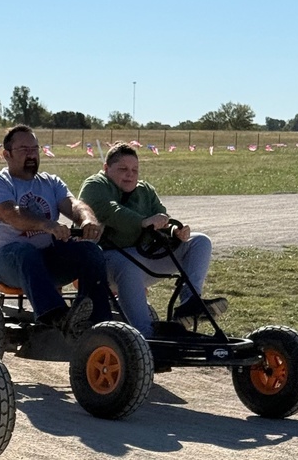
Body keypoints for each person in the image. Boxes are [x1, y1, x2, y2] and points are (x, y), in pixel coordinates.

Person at [78, 142, 227, 337]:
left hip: (143, 256)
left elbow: (162, 218)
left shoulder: (145, 190)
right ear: (106, 168)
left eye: (134, 170)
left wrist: (175, 231)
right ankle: (145, 333)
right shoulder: (95, 185)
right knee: (127, 265)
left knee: (200, 242)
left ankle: (190, 302)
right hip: (105, 262)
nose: (130, 174)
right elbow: (109, 211)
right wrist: (144, 221)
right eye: (123, 169)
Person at [0, 124, 113, 335]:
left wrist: (87, 220)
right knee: (25, 251)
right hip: (4, 262)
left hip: (45, 261)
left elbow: (74, 204)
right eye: (24, 150)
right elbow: (11, 214)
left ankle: (98, 322)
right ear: (6, 154)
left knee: (90, 251)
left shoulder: (51, 182)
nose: (31, 155)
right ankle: (56, 316)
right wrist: (47, 224)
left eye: (35, 149)